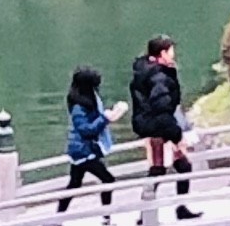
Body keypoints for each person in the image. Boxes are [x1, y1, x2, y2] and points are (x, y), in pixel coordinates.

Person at [129, 36, 196, 215]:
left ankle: (146, 212)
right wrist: (176, 135)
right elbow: (162, 106)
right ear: (163, 53)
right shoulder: (159, 76)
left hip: (148, 124)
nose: (173, 55)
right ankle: (179, 208)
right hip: (160, 124)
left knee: (158, 168)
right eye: (171, 51)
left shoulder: (143, 70)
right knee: (182, 165)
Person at [56, 67, 116, 216]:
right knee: (108, 179)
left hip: (81, 149)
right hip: (83, 151)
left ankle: (58, 216)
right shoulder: (78, 107)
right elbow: (86, 130)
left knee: (75, 183)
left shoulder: (86, 101)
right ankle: (106, 216)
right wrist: (104, 118)